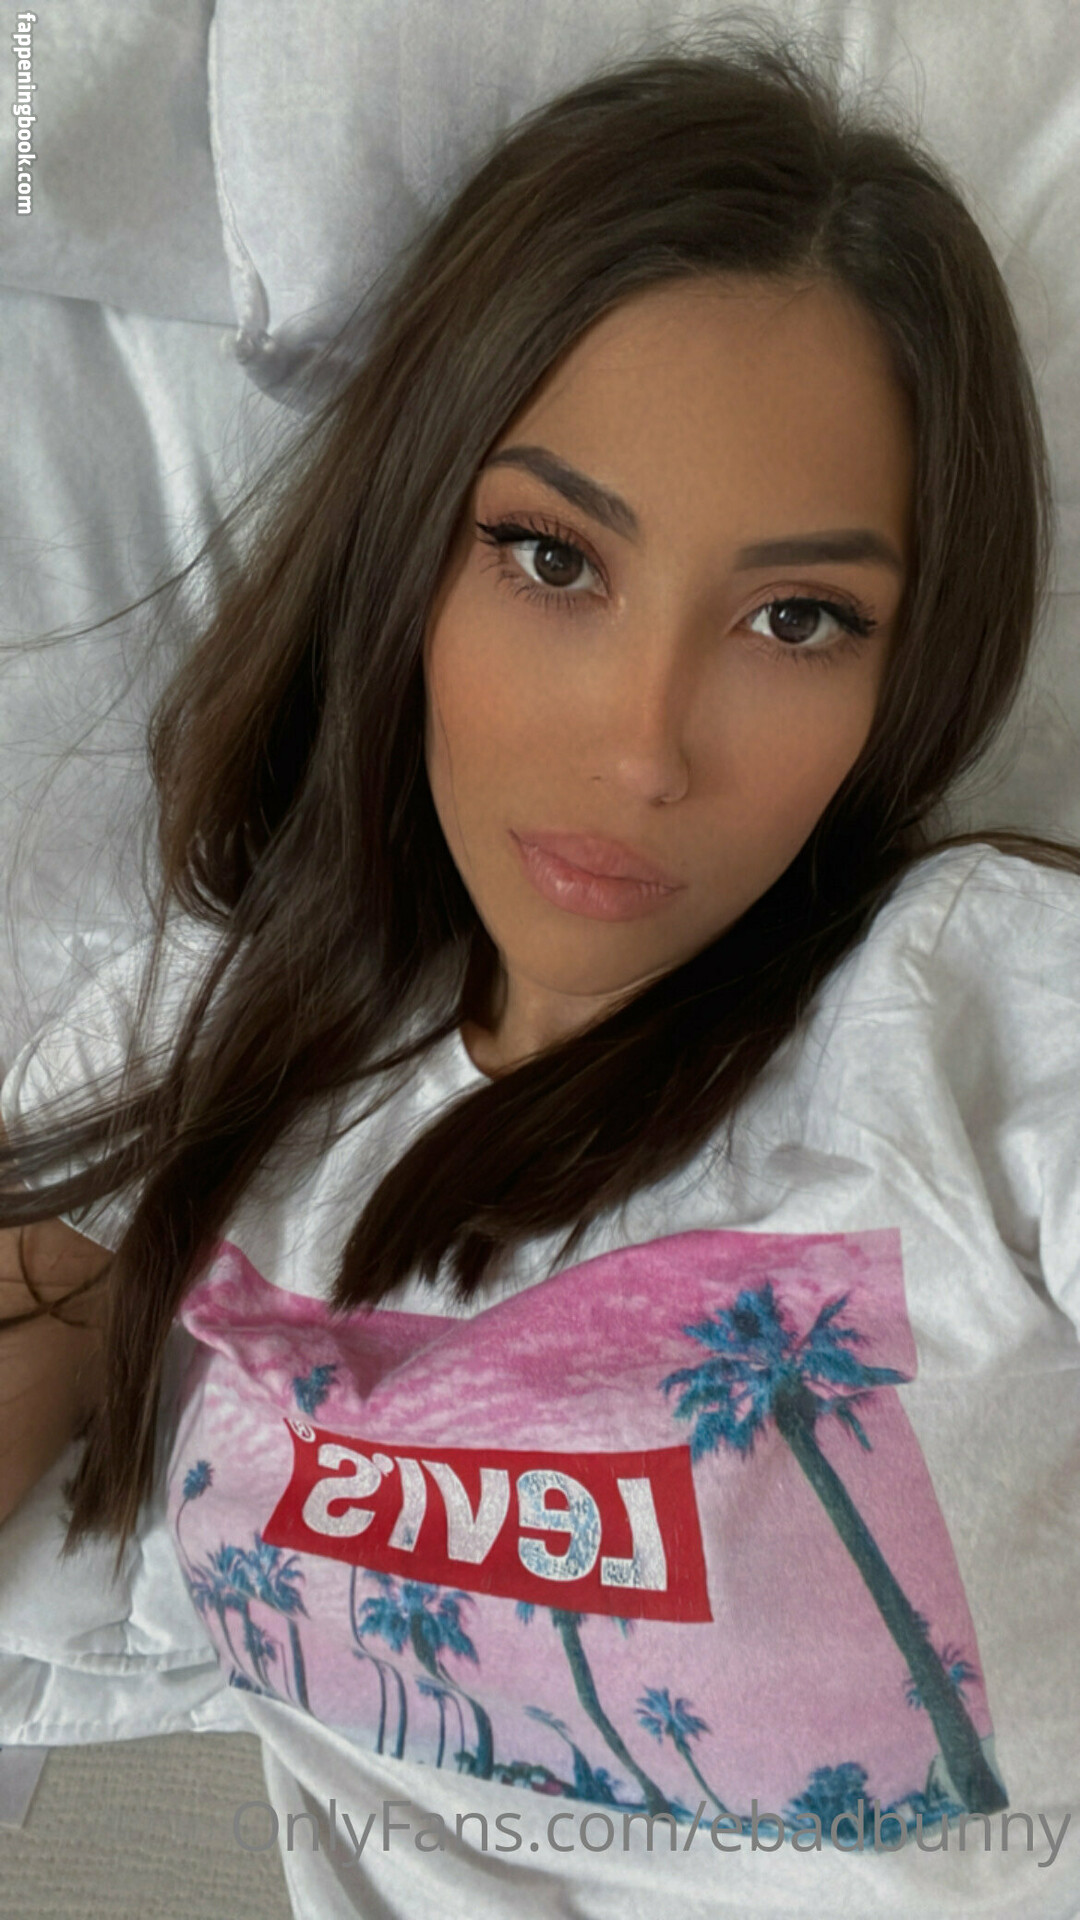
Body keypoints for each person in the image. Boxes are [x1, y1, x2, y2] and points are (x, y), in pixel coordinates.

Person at [2, 20, 1078, 1916]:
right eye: (553, 558)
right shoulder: (206, 1049)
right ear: (412, 543)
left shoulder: (983, 1008)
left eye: (798, 618)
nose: (644, 750)